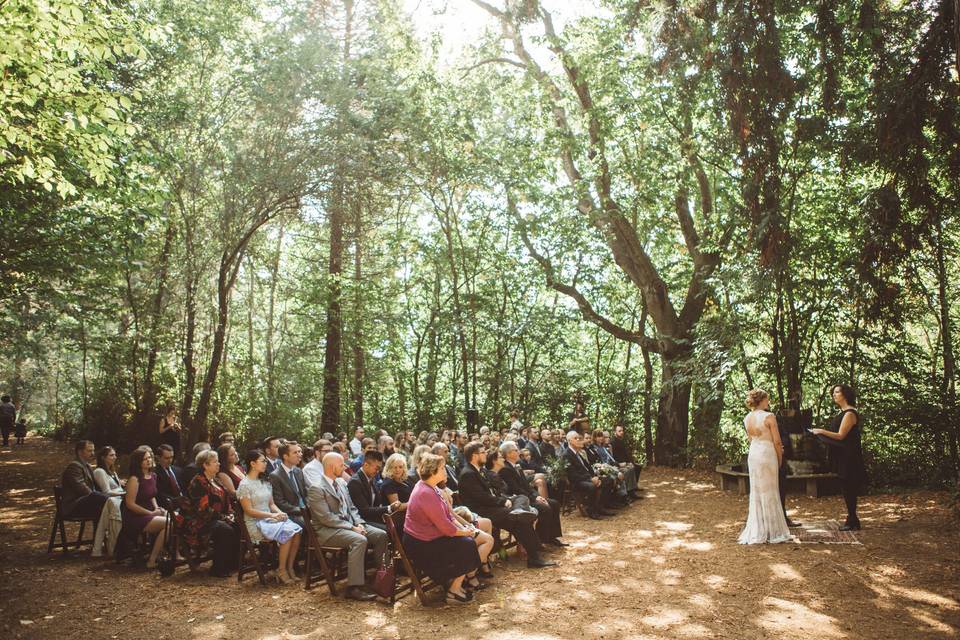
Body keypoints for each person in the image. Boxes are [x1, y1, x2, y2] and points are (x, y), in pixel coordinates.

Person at [457, 441, 555, 568]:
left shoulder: (480, 470)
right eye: (483, 453)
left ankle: (519, 514)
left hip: (493, 505)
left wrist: (505, 498)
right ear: (475, 456)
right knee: (521, 520)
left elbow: (494, 491)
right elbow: (482, 498)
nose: (485, 455)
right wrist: (503, 501)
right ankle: (534, 557)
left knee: (521, 498)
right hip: (483, 511)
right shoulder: (468, 474)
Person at [403, 453, 485, 604]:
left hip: (430, 535)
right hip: (421, 543)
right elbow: (446, 528)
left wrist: (466, 527)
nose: (444, 470)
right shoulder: (425, 492)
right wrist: (466, 532)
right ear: (432, 471)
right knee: (467, 544)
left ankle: (456, 586)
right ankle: (453, 591)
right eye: (441, 468)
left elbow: (449, 516)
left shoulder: (432, 487)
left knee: (467, 541)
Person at [306, 452, 388, 601]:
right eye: (341, 464)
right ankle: (354, 588)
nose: (345, 467)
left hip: (350, 524)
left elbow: (352, 508)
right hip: (328, 531)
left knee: (381, 535)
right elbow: (326, 518)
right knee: (359, 540)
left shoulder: (342, 483)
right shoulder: (316, 488)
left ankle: (382, 577)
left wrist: (359, 523)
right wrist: (352, 528)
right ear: (331, 466)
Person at [236, 449, 302, 585]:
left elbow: (271, 504)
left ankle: (289, 567)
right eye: (263, 461)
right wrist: (272, 515)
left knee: (297, 530)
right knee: (288, 532)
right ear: (252, 463)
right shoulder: (244, 485)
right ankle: (281, 569)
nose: (266, 463)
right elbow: (249, 511)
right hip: (255, 522)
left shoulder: (264, 481)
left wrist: (280, 513)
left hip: (270, 519)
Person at [738, 389, 792, 544]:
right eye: (767, 399)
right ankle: (773, 530)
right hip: (767, 453)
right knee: (771, 490)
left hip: (754, 453)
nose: (768, 402)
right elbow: (777, 441)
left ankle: (759, 527)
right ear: (761, 400)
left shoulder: (747, 418)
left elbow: (750, 439)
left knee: (757, 490)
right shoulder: (769, 417)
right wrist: (780, 458)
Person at [810, 384, 867, 531]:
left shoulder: (849, 413)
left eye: (837, 392)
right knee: (846, 487)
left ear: (845, 394)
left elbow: (841, 436)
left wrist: (821, 431)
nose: (834, 395)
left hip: (849, 456)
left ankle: (852, 519)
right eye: (833, 393)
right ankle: (852, 518)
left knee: (849, 487)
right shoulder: (843, 412)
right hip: (843, 455)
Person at [181, 449, 239, 577]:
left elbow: (226, 501)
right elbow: (202, 509)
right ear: (205, 465)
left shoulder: (216, 480)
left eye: (218, 461)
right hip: (198, 522)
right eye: (215, 462)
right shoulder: (198, 482)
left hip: (216, 518)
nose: (218, 464)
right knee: (225, 529)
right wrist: (224, 517)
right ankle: (218, 568)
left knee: (238, 524)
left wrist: (230, 514)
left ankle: (233, 563)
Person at [499, 442, 566, 546]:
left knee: (554, 503)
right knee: (545, 508)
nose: (519, 452)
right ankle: (540, 539)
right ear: (508, 454)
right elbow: (515, 489)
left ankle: (551, 537)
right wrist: (534, 498)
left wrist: (537, 496)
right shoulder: (505, 469)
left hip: (529, 495)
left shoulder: (517, 465)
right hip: (519, 500)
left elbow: (526, 485)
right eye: (516, 450)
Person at [122, 447, 169, 568]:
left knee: (176, 518)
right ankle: (152, 560)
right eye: (144, 459)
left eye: (149, 457)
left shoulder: (153, 475)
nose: (148, 460)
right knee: (170, 523)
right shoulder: (134, 479)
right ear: (138, 462)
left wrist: (157, 509)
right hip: (135, 517)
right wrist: (150, 513)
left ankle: (167, 554)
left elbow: (151, 496)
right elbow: (130, 504)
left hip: (150, 513)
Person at [348, 450, 402, 531]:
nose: (377, 472)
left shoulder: (371, 477)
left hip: (374, 517)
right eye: (376, 468)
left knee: (401, 523)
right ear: (366, 465)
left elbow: (377, 502)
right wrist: (389, 507)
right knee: (390, 529)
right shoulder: (355, 482)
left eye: (379, 469)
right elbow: (364, 511)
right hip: (362, 520)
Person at [563, 431, 608, 519]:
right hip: (576, 482)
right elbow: (573, 476)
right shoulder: (567, 455)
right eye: (576, 438)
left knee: (607, 480)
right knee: (591, 486)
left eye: (579, 438)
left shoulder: (578, 452)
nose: (579, 440)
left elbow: (588, 467)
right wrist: (590, 479)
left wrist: (594, 476)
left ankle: (600, 507)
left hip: (585, 478)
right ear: (569, 441)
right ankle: (591, 510)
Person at [60, 440, 108, 520]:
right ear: (80, 452)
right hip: (72, 507)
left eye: (93, 450)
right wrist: (100, 498)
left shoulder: (87, 466)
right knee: (100, 499)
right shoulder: (74, 467)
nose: (93, 453)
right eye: (89, 451)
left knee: (106, 506)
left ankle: (103, 532)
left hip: (84, 502)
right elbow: (82, 489)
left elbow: (96, 486)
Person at [92, 446, 124, 557]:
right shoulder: (100, 471)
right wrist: (124, 493)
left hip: (118, 499)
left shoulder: (112, 472)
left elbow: (119, 486)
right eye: (111, 455)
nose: (114, 457)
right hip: (106, 502)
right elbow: (106, 491)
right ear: (103, 458)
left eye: (115, 455)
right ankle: (115, 546)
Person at [268, 441, 308, 527]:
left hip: (305, 510)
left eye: (300, 451)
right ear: (285, 456)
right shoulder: (275, 476)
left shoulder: (298, 471)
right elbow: (280, 503)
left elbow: (305, 494)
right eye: (295, 452)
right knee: (309, 525)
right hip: (291, 514)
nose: (300, 454)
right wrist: (302, 510)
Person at [155, 444, 183, 511]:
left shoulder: (178, 470)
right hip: (168, 506)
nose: (170, 460)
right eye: (166, 458)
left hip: (184, 504)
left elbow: (184, 487)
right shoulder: (155, 473)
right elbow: (159, 493)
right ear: (159, 458)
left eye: (172, 457)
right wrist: (178, 501)